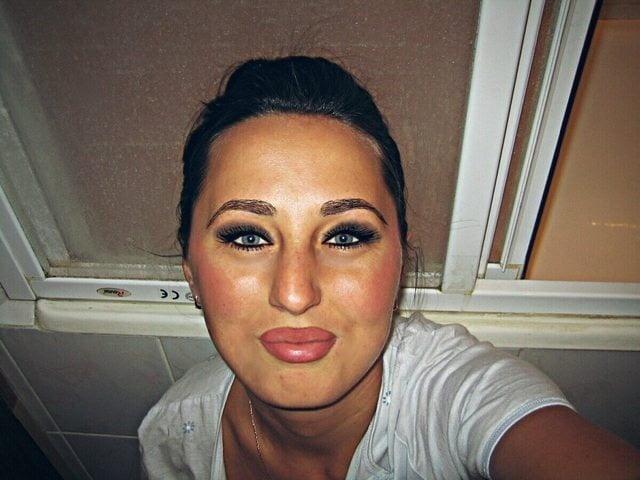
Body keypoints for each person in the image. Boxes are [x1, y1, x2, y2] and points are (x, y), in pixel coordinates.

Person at [139, 56, 640, 479]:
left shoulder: (459, 400)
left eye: (345, 236)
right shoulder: (174, 435)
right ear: (191, 273)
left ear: (400, 260)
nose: (295, 293)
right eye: (248, 238)